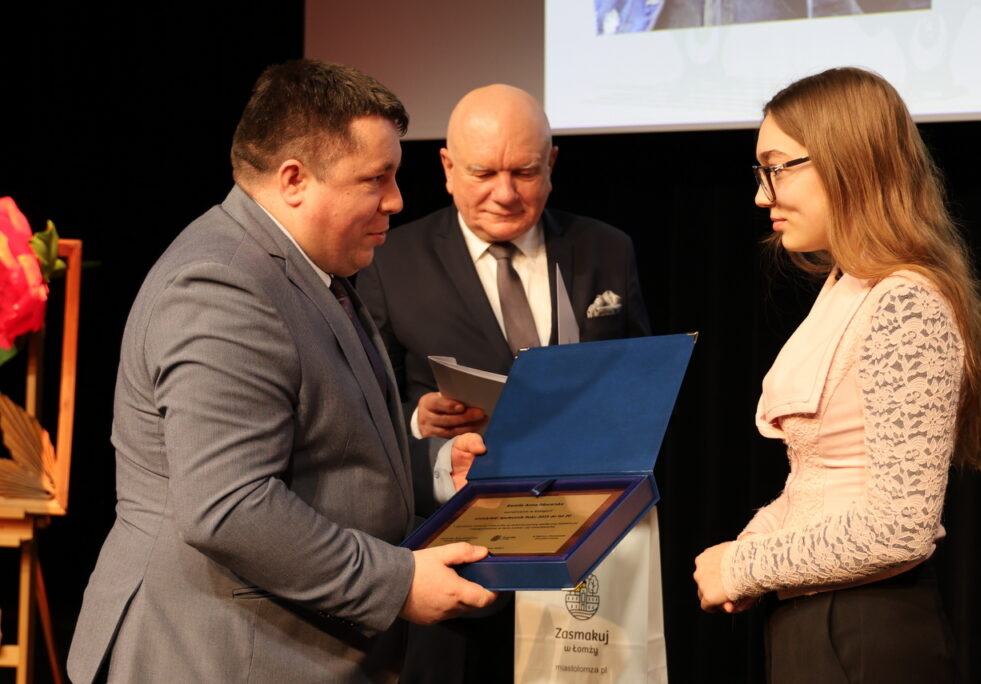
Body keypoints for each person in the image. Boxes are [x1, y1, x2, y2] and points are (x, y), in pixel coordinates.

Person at [67, 59, 496, 684]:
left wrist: (433, 468)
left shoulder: (307, 270)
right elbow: (230, 506)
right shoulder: (222, 286)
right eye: (375, 179)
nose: (397, 200)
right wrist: (397, 582)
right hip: (213, 657)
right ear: (294, 180)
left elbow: (322, 445)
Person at [693, 67, 981, 683]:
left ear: (847, 162)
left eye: (776, 169)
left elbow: (901, 526)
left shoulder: (907, 302)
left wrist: (745, 566)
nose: (762, 195)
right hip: (821, 621)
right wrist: (752, 542)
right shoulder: (849, 288)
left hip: (865, 630)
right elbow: (820, 478)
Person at [356, 84, 651, 682]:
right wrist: (418, 420)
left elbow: (640, 392)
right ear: (446, 168)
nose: (506, 193)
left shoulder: (606, 249)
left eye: (525, 171)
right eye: (483, 173)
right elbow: (360, 412)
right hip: (457, 562)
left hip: (584, 555)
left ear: (552, 164)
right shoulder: (389, 260)